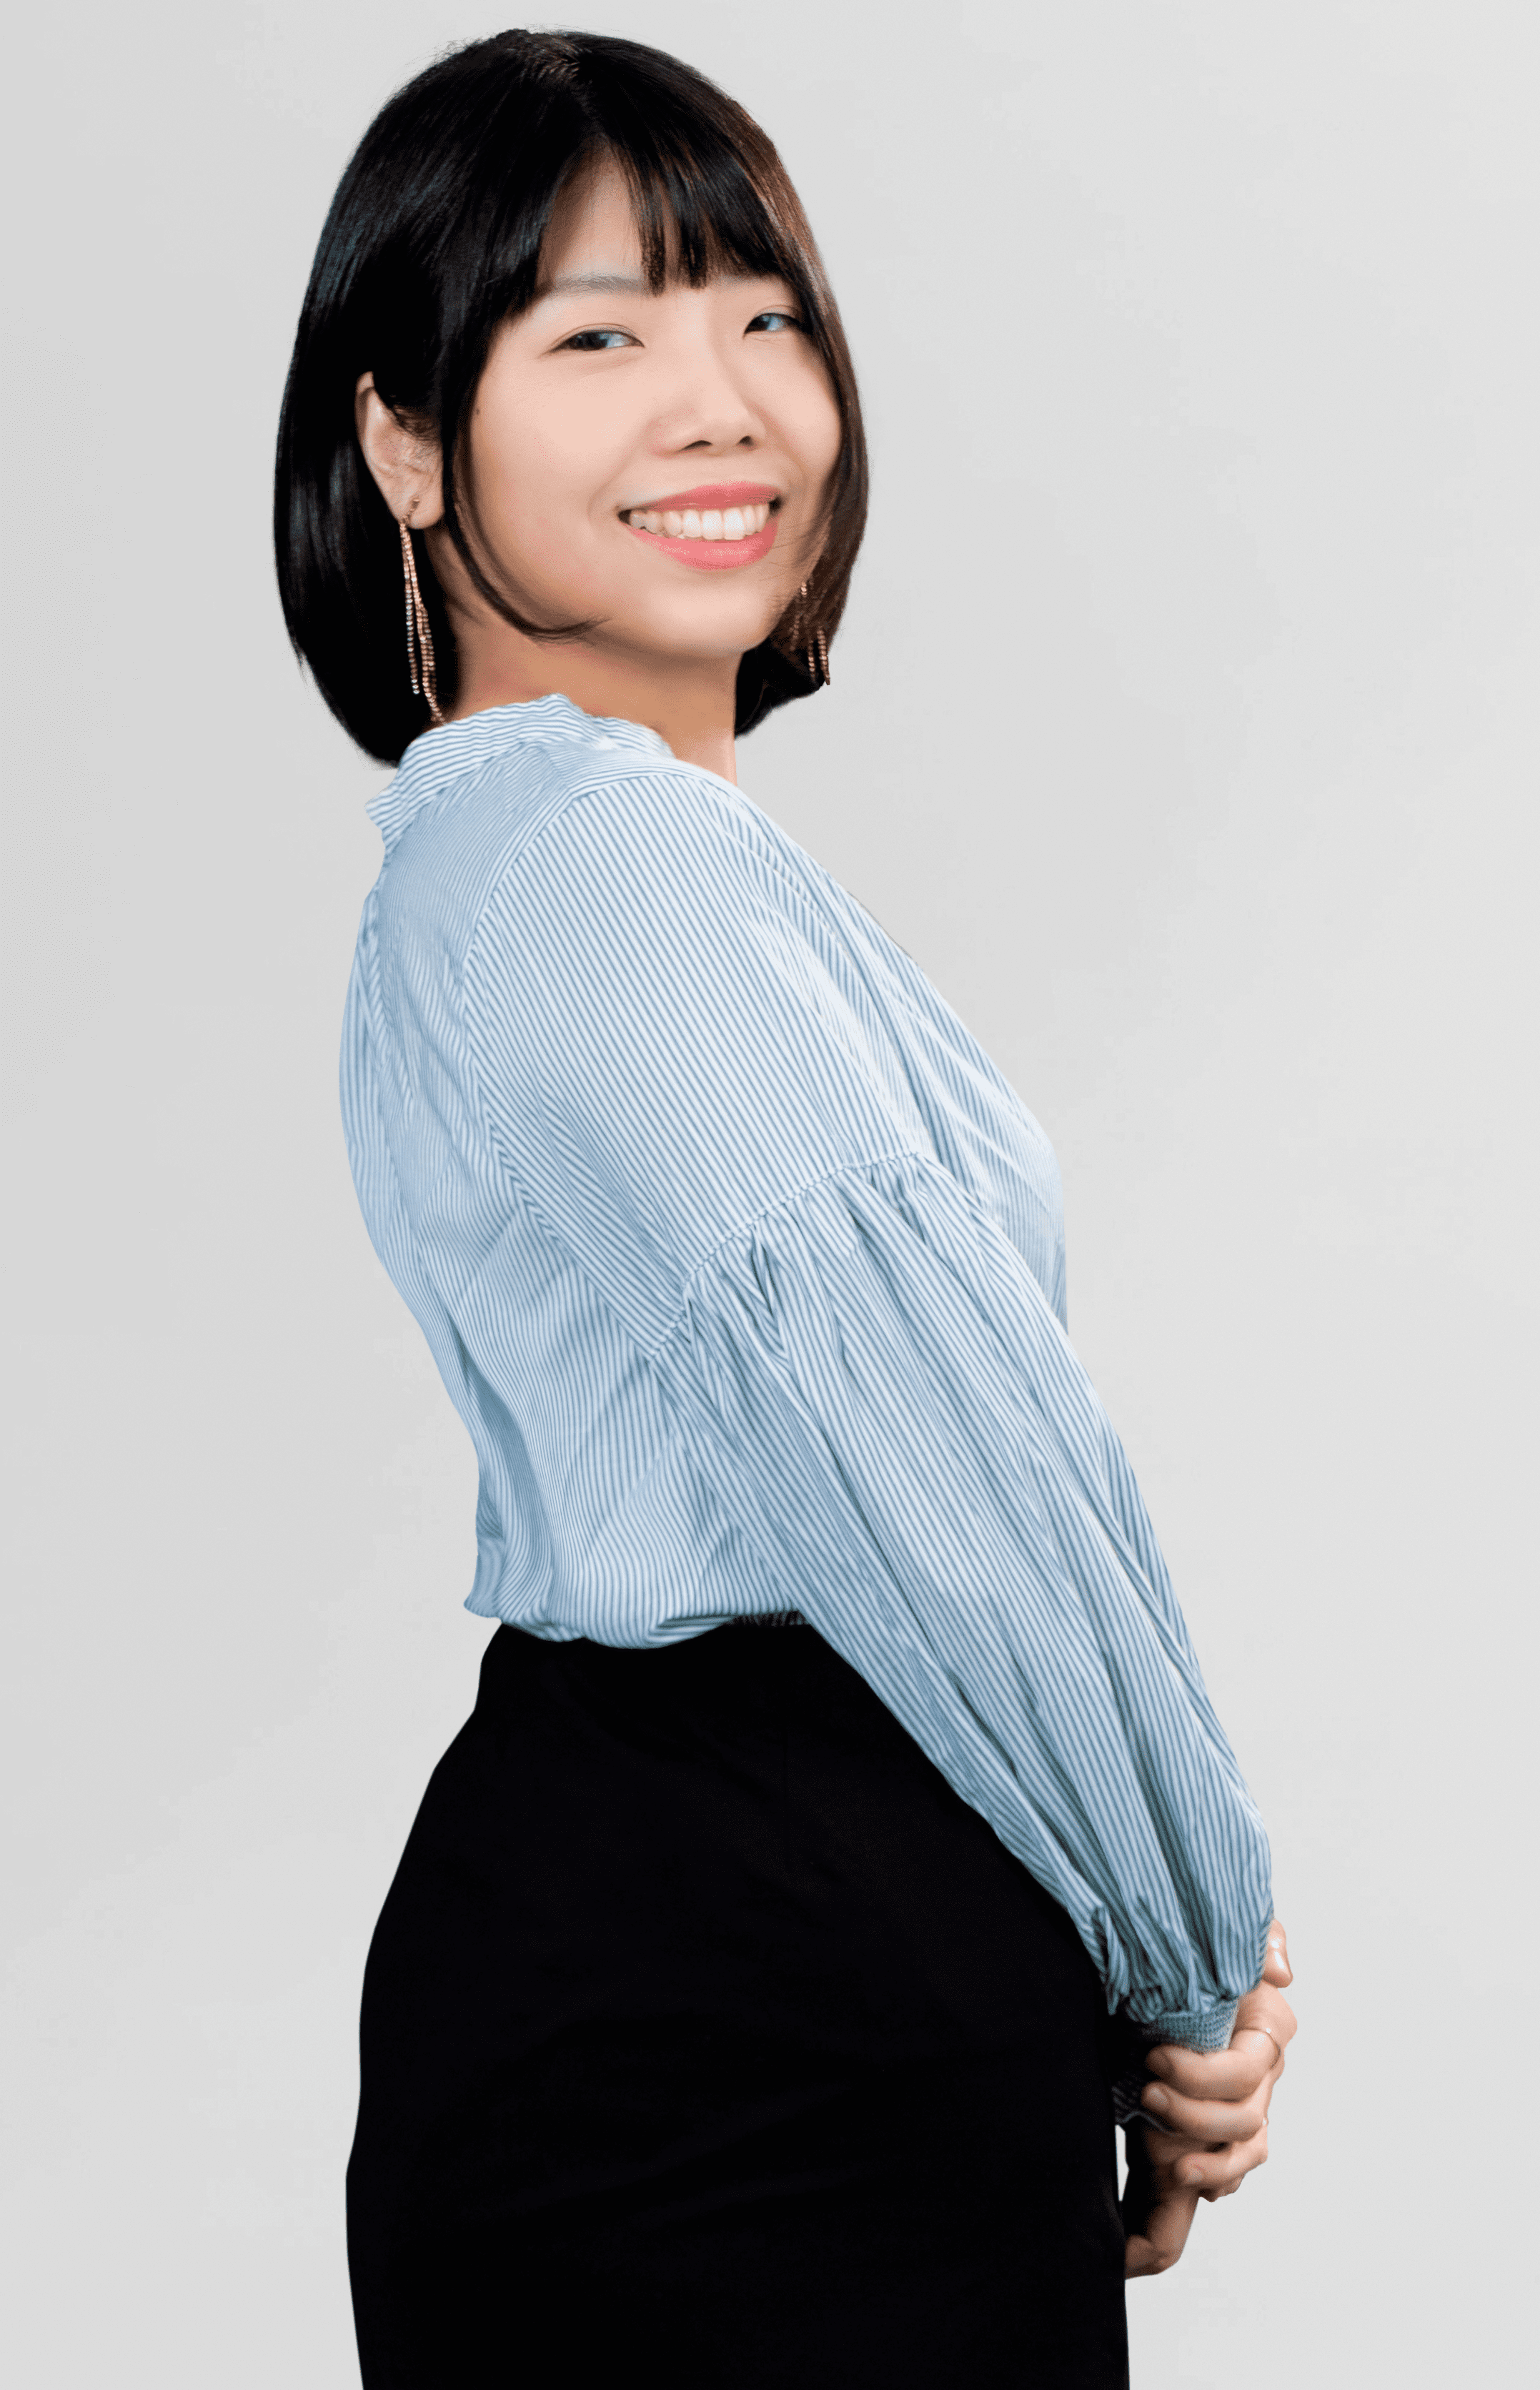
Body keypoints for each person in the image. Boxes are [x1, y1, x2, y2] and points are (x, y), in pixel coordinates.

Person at [274, 29, 1296, 2388]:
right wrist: (1190, 1956)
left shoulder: (608, 859)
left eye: (765, 318)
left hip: (767, 1949)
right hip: (740, 1996)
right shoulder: (583, 862)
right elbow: (964, 1479)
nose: (722, 403)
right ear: (404, 440)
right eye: (600, 339)